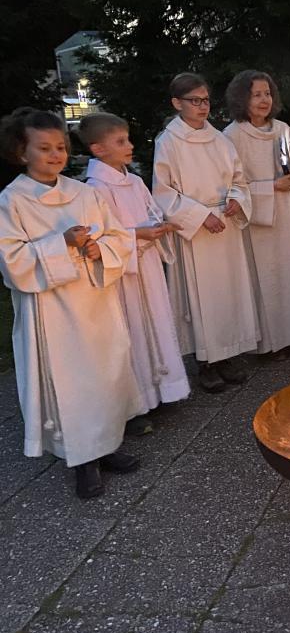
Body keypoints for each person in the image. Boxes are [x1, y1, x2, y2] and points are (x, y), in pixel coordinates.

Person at [0, 107, 141, 499]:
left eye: (60, 146)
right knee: (72, 383)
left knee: (104, 373)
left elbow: (117, 235)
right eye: (43, 148)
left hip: (94, 300)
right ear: (20, 151)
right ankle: (82, 460)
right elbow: (12, 262)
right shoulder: (12, 201)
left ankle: (108, 444)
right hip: (52, 310)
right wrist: (60, 244)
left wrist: (100, 250)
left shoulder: (84, 193)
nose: (56, 154)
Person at [81, 112, 191, 429]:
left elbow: (151, 212)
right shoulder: (94, 189)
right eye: (120, 141)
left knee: (155, 322)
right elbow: (99, 238)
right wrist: (136, 236)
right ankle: (137, 400)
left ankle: (162, 389)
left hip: (148, 266)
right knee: (132, 332)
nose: (129, 145)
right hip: (123, 276)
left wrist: (160, 225)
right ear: (98, 149)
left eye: (128, 139)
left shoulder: (135, 181)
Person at [152, 73, 259, 393]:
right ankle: (205, 364)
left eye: (206, 100)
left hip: (224, 225)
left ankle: (226, 355)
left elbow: (240, 180)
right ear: (177, 103)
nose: (202, 106)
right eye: (194, 101)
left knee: (228, 293)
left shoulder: (220, 140)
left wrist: (237, 202)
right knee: (202, 298)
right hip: (196, 233)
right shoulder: (168, 142)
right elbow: (162, 192)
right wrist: (199, 217)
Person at [223, 70, 290, 356]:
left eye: (267, 93)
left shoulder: (282, 130)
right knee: (268, 279)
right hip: (259, 220)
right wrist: (271, 186)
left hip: (289, 213)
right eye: (256, 94)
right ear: (242, 98)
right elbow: (231, 185)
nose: (263, 99)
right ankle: (272, 343)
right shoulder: (232, 136)